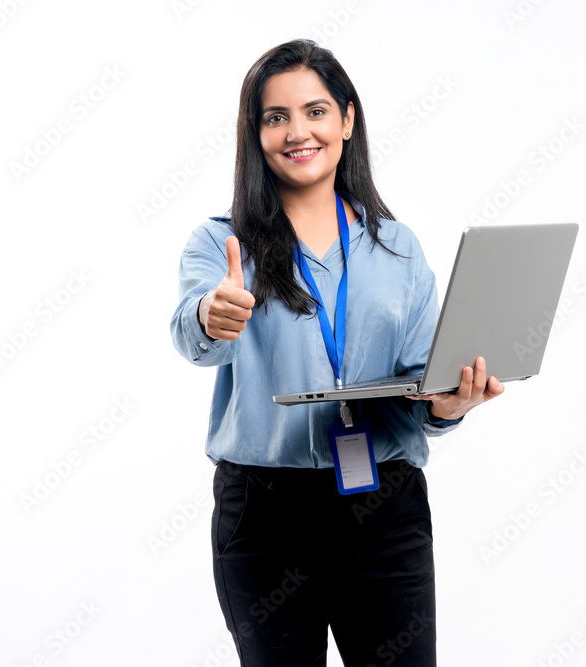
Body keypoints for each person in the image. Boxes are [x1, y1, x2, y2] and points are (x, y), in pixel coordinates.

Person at [169, 39, 503, 667]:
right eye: (276, 117)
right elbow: (193, 335)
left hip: (385, 511)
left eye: (315, 112)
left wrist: (450, 404)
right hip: (265, 517)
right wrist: (213, 317)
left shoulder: (399, 247)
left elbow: (421, 389)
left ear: (347, 121)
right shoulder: (219, 243)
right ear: (255, 134)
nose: (298, 132)